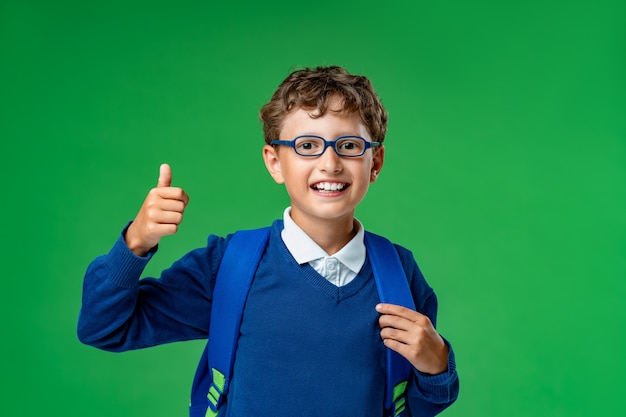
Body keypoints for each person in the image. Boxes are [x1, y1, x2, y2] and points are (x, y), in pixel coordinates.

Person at [77, 65, 459, 416]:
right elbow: (105, 326)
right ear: (275, 162)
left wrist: (437, 363)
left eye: (349, 145)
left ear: (374, 163)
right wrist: (136, 243)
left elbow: (414, 406)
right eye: (307, 146)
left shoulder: (399, 273)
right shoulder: (230, 266)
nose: (330, 163)